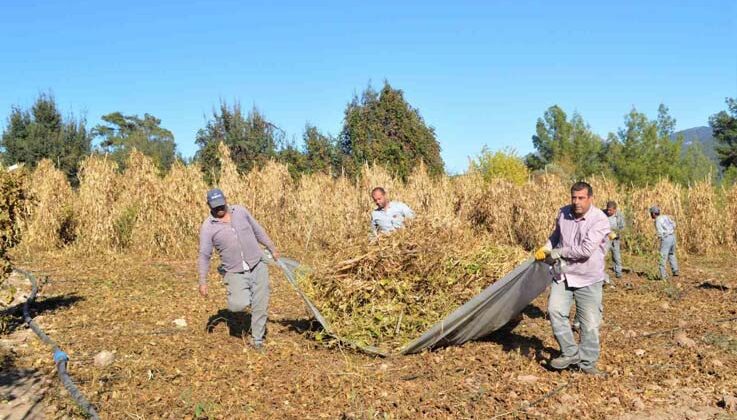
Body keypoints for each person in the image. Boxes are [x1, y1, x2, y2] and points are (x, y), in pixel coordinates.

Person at [535, 182, 610, 376]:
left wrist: (558, 252)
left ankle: (587, 363)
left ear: (590, 199)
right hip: (564, 274)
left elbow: (585, 251)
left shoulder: (599, 220)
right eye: (574, 198)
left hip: (588, 277)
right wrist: (547, 247)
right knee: (554, 311)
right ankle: (570, 352)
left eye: (581, 198)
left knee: (590, 322)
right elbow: (556, 236)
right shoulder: (563, 213)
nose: (576, 202)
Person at [198, 188, 280, 352]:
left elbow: (258, 230)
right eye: (215, 207)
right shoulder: (208, 227)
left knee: (260, 304)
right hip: (234, 270)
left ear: (226, 200)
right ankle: (238, 288)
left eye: (221, 205)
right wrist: (202, 281)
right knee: (238, 305)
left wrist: (271, 248)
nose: (219, 209)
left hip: (257, 264)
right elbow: (204, 255)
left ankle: (257, 340)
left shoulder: (241, 211)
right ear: (208, 205)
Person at [649, 205, 679, 279]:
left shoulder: (657, 220)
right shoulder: (665, 217)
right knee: (671, 254)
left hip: (666, 238)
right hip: (673, 237)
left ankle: (663, 275)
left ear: (653, 214)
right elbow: (674, 225)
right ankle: (675, 270)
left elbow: (660, 233)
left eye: (651, 213)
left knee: (662, 257)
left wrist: (657, 240)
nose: (651, 215)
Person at [605, 201, 625, 279]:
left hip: (615, 239)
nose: (608, 211)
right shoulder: (602, 214)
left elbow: (622, 227)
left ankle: (618, 273)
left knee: (616, 256)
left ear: (615, 210)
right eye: (607, 210)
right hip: (605, 239)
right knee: (602, 255)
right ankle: (599, 273)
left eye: (610, 210)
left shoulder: (620, 216)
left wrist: (616, 234)